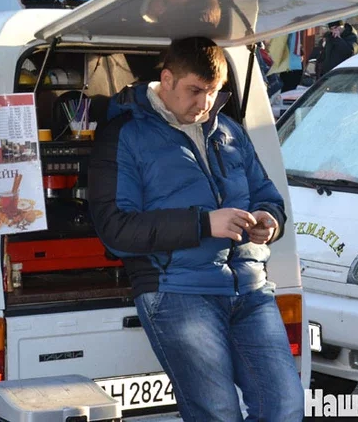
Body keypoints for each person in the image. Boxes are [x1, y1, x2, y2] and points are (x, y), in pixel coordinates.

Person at [88, 37, 304, 422]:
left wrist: (269, 222)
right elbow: (116, 229)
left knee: (286, 407)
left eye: (213, 92)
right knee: (218, 414)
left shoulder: (230, 130)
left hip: (250, 288)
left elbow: (268, 196)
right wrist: (204, 223)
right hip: (177, 291)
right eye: (195, 91)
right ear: (167, 79)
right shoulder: (124, 135)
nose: (205, 103)